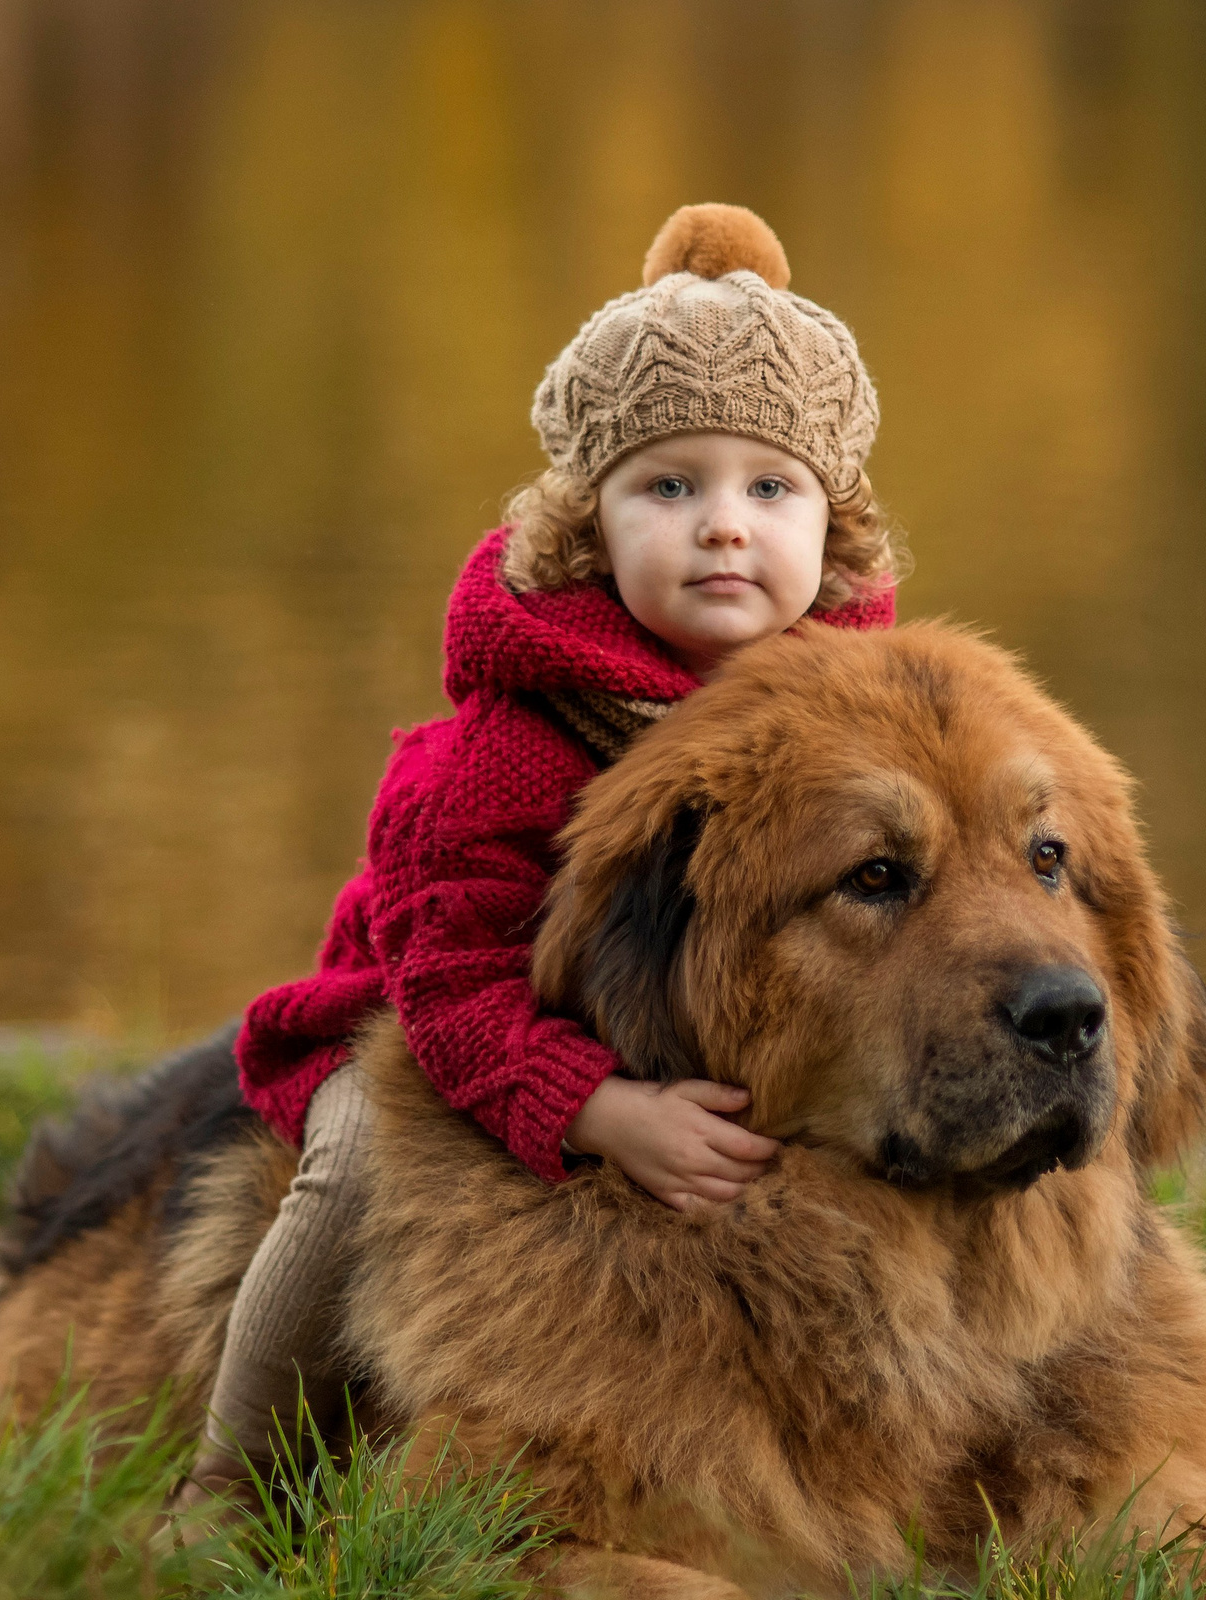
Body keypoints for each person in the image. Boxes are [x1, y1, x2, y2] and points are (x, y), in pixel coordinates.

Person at [175, 203, 901, 1511]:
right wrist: (600, 1110)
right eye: (669, 487)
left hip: (670, 1041)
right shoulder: (508, 744)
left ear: (832, 528)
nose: (724, 527)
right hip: (435, 1029)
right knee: (351, 1173)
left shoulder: (859, 711)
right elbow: (449, 980)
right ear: (589, 523)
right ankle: (230, 1481)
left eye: (770, 487)